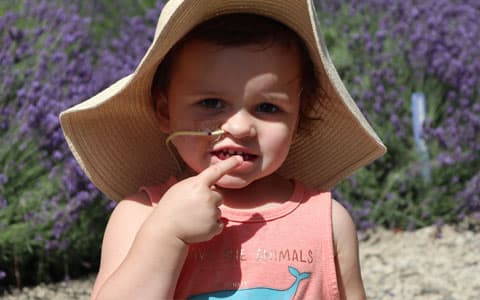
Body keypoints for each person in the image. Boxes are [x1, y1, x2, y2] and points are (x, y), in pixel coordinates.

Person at [60, 0, 386, 299]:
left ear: (298, 119)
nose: (241, 127)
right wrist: (165, 235)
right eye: (211, 103)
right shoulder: (142, 215)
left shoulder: (328, 223)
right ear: (165, 111)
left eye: (268, 108)